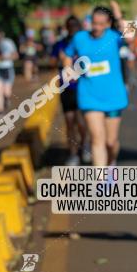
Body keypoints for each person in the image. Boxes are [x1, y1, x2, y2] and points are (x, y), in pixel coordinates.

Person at [63, 5, 129, 167]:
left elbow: (132, 34)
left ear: (107, 24)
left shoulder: (114, 37)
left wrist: (118, 14)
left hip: (114, 96)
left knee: (110, 142)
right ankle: (101, 181)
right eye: (94, 23)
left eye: (101, 24)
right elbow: (67, 54)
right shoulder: (80, 38)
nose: (96, 27)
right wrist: (67, 68)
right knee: (97, 139)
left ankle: (111, 162)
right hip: (89, 95)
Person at [53, 16, 88, 166]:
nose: (73, 27)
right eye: (70, 25)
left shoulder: (85, 42)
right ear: (66, 27)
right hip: (66, 87)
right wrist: (61, 60)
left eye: (75, 25)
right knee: (69, 121)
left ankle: (85, 146)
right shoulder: (60, 44)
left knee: (81, 121)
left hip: (83, 87)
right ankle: (73, 153)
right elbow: (52, 61)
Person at [0, 30, 18, 115]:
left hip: (7, 69)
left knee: (6, 92)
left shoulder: (9, 42)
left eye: (0, 34)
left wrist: (5, 57)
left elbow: (16, 56)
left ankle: (6, 100)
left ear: (3, 34)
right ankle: (0, 112)